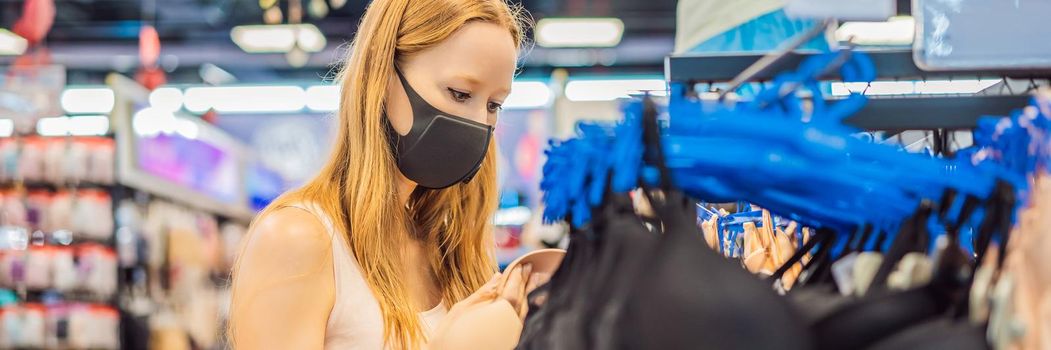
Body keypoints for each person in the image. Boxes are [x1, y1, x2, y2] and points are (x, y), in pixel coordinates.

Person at [227, 0, 539, 348]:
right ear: (383, 77)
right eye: (459, 93)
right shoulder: (298, 239)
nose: (480, 123)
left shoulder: (450, 251)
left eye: (494, 104)